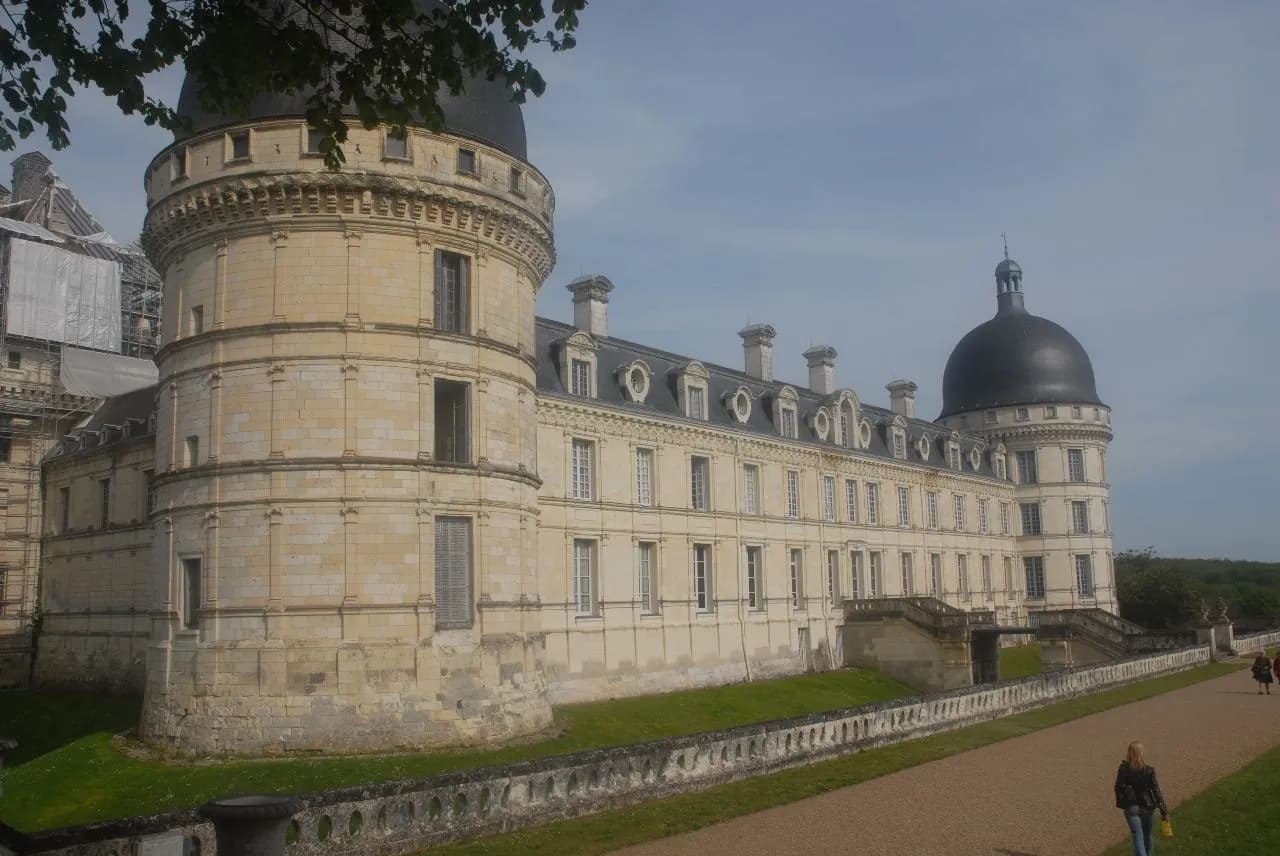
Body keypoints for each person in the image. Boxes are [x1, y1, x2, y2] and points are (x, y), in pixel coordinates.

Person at [1115, 741, 1168, 856]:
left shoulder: (1123, 768)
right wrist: (1163, 810)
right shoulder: (1149, 770)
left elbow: (1118, 787)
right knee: (1147, 836)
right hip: (1148, 808)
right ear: (1142, 753)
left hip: (1132, 808)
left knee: (1137, 836)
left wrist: (1123, 803)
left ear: (1129, 753)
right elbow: (1156, 790)